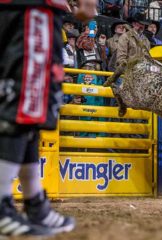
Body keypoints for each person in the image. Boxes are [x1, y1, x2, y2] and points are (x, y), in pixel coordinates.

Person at [0, 0, 97, 237]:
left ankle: (34, 203)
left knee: (28, 108)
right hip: (31, 10)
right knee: (25, 102)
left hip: (21, 11)